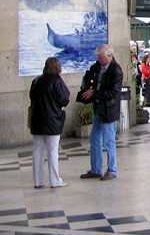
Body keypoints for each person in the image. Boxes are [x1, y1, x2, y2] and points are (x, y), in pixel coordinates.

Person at [78, 44, 122, 181]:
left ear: (109, 56)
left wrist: (94, 92)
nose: (98, 59)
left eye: (100, 57)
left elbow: (112, 92)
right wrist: (86, 86)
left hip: (108, 110)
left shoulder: (116, 70)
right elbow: (88, 74)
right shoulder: (98, 66)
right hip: (98, 107)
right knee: (94, 139)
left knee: (109, 141)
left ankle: (112, 170)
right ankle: (96, 169)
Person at [29, 57, 70, 188]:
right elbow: (64, 99)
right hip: (53, 120)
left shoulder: (36, 81)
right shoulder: (57, 81)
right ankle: (54, 180)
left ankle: (38, 181)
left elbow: (31, 97)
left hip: (37, 120)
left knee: (37, 150)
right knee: (52, 151)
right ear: (58, 68)